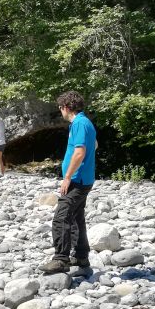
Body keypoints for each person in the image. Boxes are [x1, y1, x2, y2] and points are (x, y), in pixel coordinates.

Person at [40, 91, 97, 276]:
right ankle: (81, 256)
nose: (60, 111)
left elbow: (80, 152)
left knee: (61, 216)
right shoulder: (85, 122)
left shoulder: (79, 123)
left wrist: (67, 177)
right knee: (76, 218)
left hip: (77, 180)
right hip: (84, 179)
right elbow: (94, 145)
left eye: (60, 108)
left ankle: (61, 259)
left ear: (66, 107)